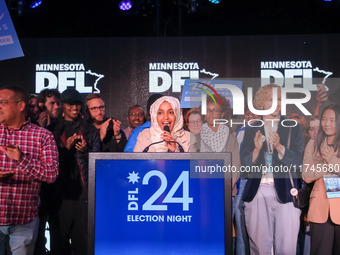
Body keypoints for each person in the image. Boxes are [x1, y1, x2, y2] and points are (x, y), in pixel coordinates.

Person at [241, 84, 304, 255]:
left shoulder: (293, 127)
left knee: (287, 247)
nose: (277, 103)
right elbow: (244, 166)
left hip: (286, 192)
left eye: (279, 99)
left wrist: (279, 147)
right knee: (260, 248)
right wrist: (255, 150)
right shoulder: (252, 129)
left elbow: (299, 162)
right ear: (262, 102)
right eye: (272, 99)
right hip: (257, 190)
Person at [0, 86, 59, 255]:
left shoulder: (43, 136)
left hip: (23, 220)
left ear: (20, 106)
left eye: (3, 103)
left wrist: (22, 160)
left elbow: (51, 174)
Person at [47, 88, 100, 255]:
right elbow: (49, 162)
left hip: (83, 195)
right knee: (58, 242)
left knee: (82, 243)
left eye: (78, 104)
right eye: (71, 104)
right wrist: (65, 149)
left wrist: (85, 151)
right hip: (59, 195)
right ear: (63, 105)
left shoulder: (90, 130)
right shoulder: (52, 130)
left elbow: (97, 160)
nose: (75, 108)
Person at [302, 104, 340, 255]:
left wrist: (331, 160)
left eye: (332, 120)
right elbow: (306, 175)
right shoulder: (313, 144)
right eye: (324, 119)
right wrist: (328, 165)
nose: (327, 124)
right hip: (319, 207)